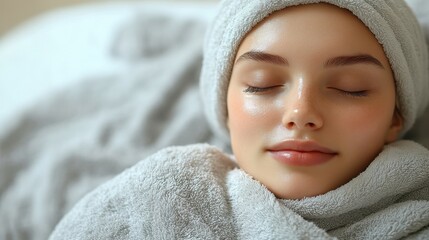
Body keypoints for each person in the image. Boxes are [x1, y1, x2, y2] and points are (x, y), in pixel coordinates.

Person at [50, 0, 429, 239]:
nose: (300, 114)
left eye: (350, 88)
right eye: (262, 85)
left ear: (396, 117)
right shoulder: (154, 200)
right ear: (225, 107)